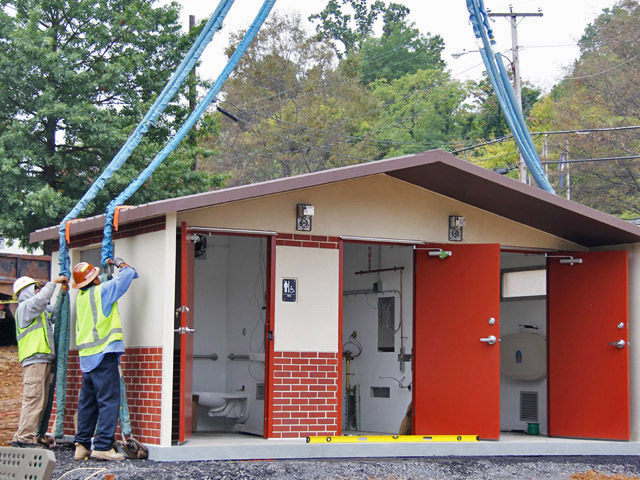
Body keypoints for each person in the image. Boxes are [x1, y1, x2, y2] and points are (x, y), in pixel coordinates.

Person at [71, 257, 137, 462]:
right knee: (109, 401)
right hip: (104, 355)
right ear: (95, 279)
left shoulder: (81, 298)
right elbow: (127, 276)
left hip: (87, 358)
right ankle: (102, 446)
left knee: (88, 403)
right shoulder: (103, 291)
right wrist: (121, 263)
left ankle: (82, 446)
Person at [12, 274, 68, 448]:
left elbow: (56, 311)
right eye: (35, 288)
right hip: (33, 362)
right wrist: (53, 284)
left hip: (43, 360)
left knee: (40, 402)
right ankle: (23, 438)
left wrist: (62, 295)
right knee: (33, 399)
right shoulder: (25, 308)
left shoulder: (39, 311)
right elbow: (40, 300)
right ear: (27, 291)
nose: (38, 290)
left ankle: (32, 436)